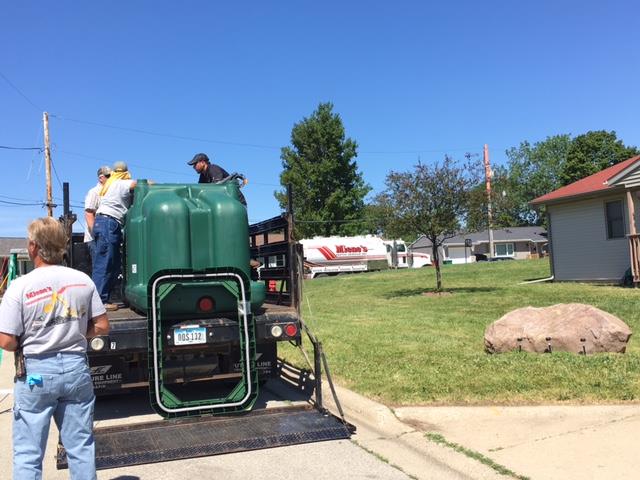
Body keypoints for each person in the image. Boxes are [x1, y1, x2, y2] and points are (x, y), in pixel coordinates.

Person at [0, 217, 109, 480]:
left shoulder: (20, 286)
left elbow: (6, 341)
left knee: (28, 454)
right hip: (75, 369)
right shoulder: (82, 281)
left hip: (36, 373)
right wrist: (75, 333)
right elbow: (102, 326)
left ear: (34, 247)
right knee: (80, 448)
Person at [92, 161, 137, 311]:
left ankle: (103, 299)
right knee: (105, 263)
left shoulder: (110, 184)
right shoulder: (121, 183)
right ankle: (99, 302)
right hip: (108, 223)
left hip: (105, 223)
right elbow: (139, 184)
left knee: (113, 264)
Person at [83, 166, 112, 263]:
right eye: (108, 176)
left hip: (106, 238)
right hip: (95, 240)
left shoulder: (109, 192)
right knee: (100, 266)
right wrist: (97, 234)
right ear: (101, 178)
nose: (111, 178)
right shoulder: (94, 192)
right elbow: (89, 213)